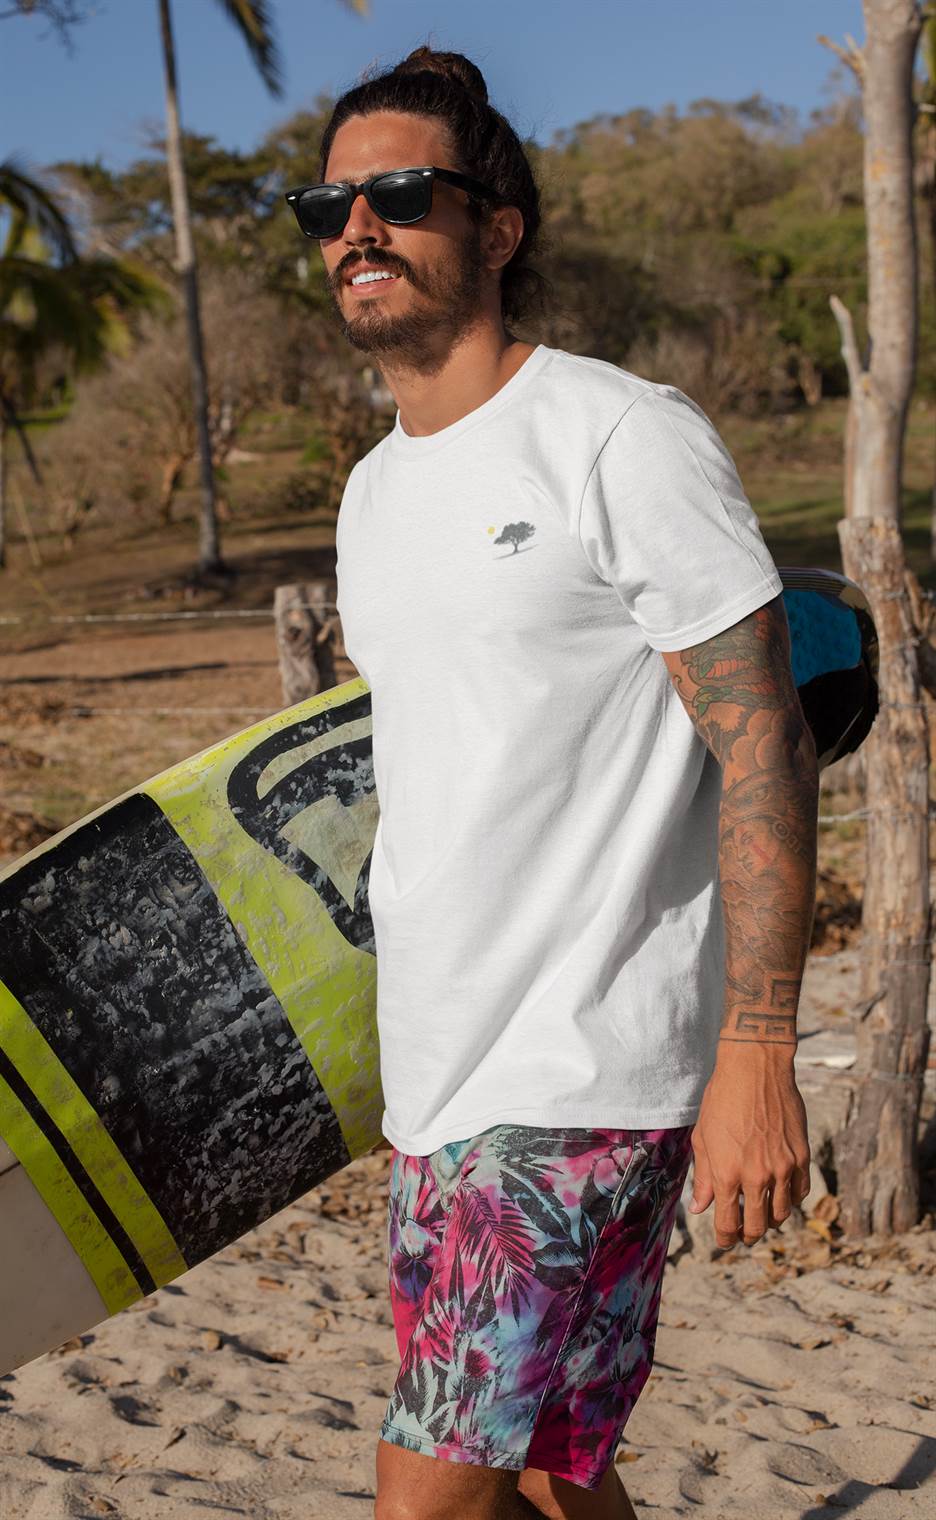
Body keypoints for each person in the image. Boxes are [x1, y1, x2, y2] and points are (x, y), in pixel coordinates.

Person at [285, 43, 818, 1520]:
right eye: (325, 209)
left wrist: (760, 1049)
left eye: (398, 194)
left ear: (499, 229)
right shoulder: (375, 491)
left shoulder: (616, 434)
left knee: (432, 1493)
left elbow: (762, 735)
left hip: (583, 1070)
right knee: (557, 1479)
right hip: (442, 1071)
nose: (357, 231)